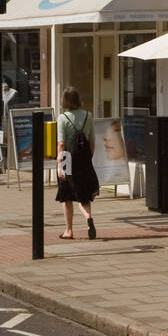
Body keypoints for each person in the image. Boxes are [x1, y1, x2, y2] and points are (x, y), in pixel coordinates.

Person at [55, 86, 100, 240]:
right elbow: (93, 142)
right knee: (84, 195)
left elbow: (61, 144)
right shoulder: (88, 115)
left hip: (68, 158)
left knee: (66, 195)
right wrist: (88, 158)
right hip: (84, 160)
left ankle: (69, 230)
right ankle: (88, 218)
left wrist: (59, 165)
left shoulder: (62, 118)